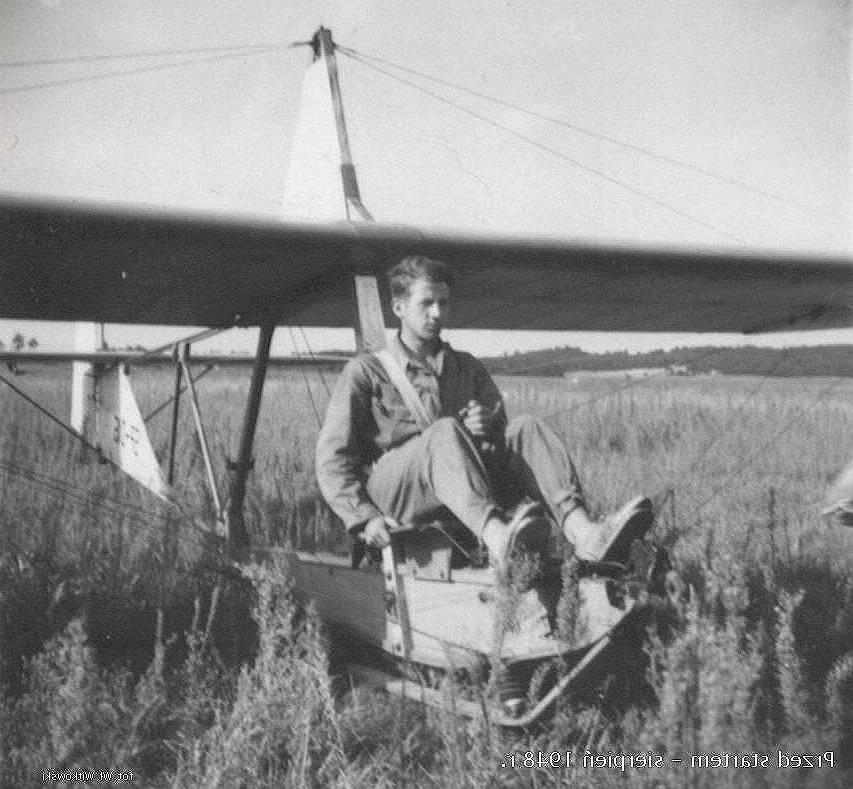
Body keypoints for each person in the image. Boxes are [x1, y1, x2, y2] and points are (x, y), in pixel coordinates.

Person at [315, 255, 653, 567]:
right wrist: (365, 518)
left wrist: (489, 426)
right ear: (398, 308)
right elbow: (333, 460)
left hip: (461, 488)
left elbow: (503, 446)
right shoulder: (366, 372)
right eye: (426, 303)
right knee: (445, 431)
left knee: (526, 427)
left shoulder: (467, 368)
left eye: (443, 303)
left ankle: (585, 534)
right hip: (398, 493)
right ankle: (499, 540)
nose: (437, 313)